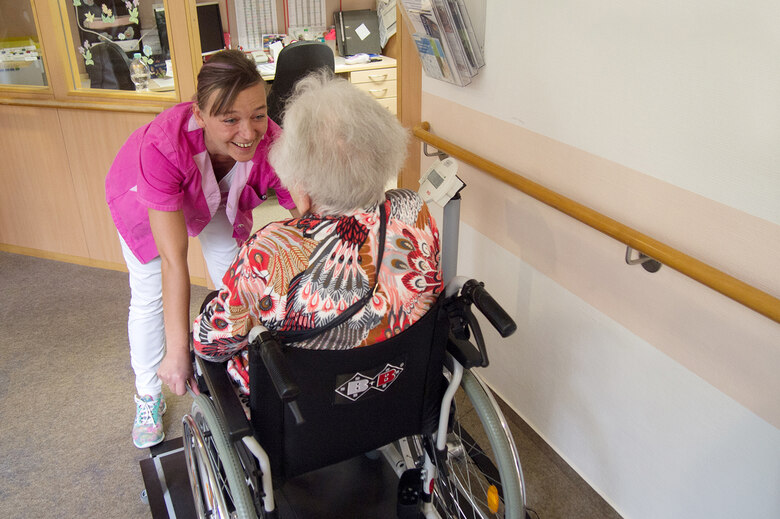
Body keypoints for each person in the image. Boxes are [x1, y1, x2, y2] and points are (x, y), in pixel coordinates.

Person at [192, 72, 442, 389]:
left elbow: (214, 344)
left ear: (301, 180)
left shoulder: (269, 250)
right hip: (399, 383)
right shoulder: (412, 210)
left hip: (306, 412)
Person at [105, 49, 298, 448]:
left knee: (237, 281)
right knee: (148, 294)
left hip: (215, 200)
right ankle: (147, 395)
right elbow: (174, 263)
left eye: (258, 114)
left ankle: (238, 370)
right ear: (199, 113)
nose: (248, 132)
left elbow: (307, 217)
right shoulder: (162, 145)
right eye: (230, 119)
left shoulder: (273, 141)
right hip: (145, 198)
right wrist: (178, 352)